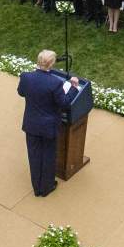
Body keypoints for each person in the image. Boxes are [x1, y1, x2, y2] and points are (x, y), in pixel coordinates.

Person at [17, 50, 80, 197]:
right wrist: (74, 87)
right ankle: (46, 187)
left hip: (31, 124)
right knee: (48, 156)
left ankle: (37, 187)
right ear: (51, 64)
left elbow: (21, 92)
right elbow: (64, 103)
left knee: (34, 156)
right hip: (48, 127)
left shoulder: (26, 77)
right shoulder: (55, 83)